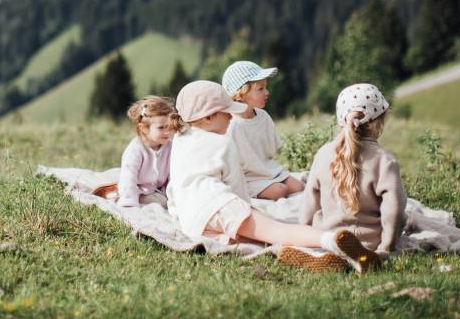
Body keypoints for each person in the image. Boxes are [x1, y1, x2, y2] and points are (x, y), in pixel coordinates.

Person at [167, 80, 381, 273]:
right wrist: (247, 209)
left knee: (253, 238)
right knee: (276, 229)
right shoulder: (223, 143)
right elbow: (235, 186)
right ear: (207, 117)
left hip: (194, 220)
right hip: (220, 204)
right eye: (226, 112)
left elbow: (174, 186)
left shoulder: (179, 138)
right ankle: (330, 240)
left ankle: (312, 256)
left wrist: (179, 216)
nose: (231, 116)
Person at [300, 83, 407, 256]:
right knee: (405, 217)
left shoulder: (323, 154)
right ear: (378, 122)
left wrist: (304, 235)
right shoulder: (385, 161)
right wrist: (386, 248)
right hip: (371, 243)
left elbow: (309, 205)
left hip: (329, 239)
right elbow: (393, 212)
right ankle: (363, 256)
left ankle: (330, 254)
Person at [222, 61, 304, 200]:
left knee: (299, 187)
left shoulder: (263, 116)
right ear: (240, 94)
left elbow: (271, 150)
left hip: (268, 172)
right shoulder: (231, 125)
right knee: (280, 190)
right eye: (260, 89)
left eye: (266, 87)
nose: (267, 92)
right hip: (248, 179)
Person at [116, 96, 182, 208]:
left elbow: (173, 175)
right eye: (161, 128)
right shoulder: (136, 149)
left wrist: (172, 195)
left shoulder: (169, 147)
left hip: (157, 189)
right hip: (138, 189)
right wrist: (129, 201)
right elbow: (128, 176)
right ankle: (124, 196)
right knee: (159, 202)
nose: (167, 132)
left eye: (169, 127)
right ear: (144, 129)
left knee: (167, 201)